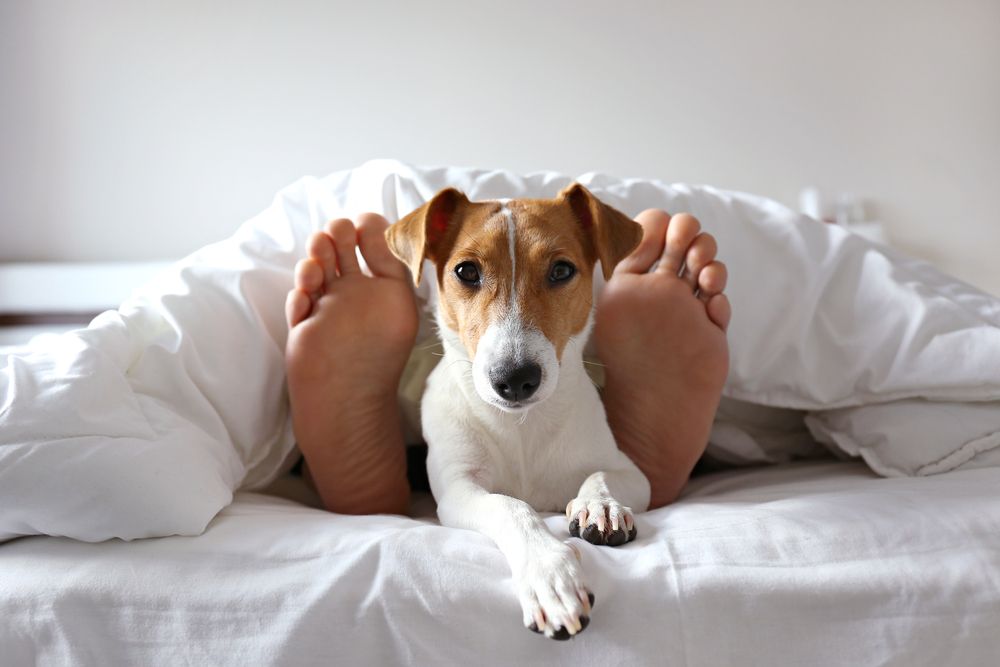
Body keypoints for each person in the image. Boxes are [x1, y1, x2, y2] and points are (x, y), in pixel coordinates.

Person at [283, 208, 731, 515]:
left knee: (567, 394)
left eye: (558, 271)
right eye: (468, 272)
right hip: (436, 376)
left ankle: (620, 474)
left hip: (563, 384)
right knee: (431, 395)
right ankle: (381, 466)